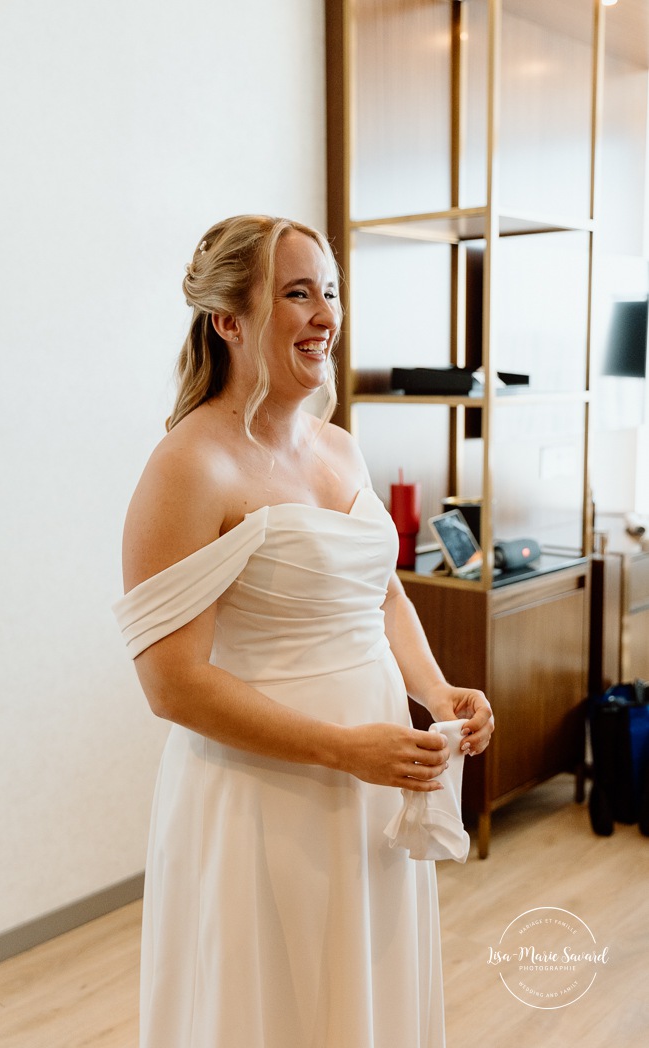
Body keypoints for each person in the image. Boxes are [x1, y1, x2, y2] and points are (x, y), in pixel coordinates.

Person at [114, 214, 494, 1048]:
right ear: (229, 320)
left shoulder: (339, 448)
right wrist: (340, 749)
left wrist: (434, 693)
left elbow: (380, 593)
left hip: (375, 778)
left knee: (360, 992)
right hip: (265, 793)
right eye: (297, 293)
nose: (325, 314)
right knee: (275, 1006)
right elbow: (169, 682)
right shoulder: (189, 464)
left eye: (330, 291)